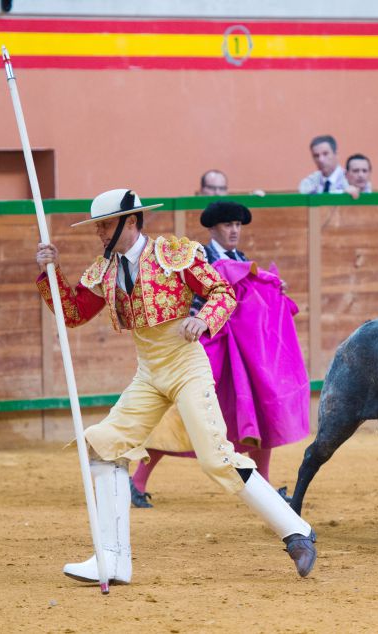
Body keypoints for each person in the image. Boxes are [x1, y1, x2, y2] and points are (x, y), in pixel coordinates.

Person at [34, 188, 316, 584]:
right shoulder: (105, 269)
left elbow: (222, 292)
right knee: (102, 443)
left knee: (217, 459)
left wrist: (204, 321)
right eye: (97, 226)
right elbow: (74, 313)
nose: (99, 233)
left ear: (130, 223)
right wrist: (51, 273)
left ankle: (296, 531)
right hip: (148, 373)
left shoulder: (172, 254)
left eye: (105, 225)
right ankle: (111, 560)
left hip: (186, 365)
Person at [130, 200, 310, 507]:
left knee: (255, 411)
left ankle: (263, 486)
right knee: (183, 414)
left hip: (238, 354)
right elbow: (187, 299)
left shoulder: (241, 259)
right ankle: (137, 481)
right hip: (206, 348)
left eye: (238, 225)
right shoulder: (199, 258)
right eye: (228, 225)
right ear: (213, 229)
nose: (234, 231)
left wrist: (271, 290)